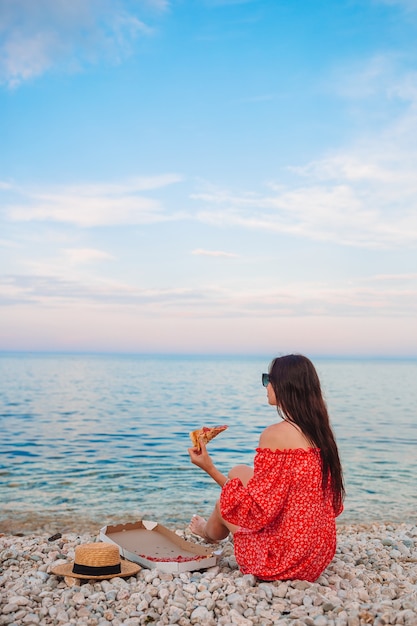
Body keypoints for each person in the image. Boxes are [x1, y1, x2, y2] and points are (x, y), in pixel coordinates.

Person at [188, 354, 345, 582]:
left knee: (224, 502)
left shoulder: (274, 435)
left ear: (285, 385)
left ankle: (207, 533)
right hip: (317, 553)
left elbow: (256, 512)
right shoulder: (320, 432)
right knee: (238, 471)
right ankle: (211, 530)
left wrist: (209, 467)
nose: (266, 385)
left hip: (283, 561)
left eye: (268, 379)